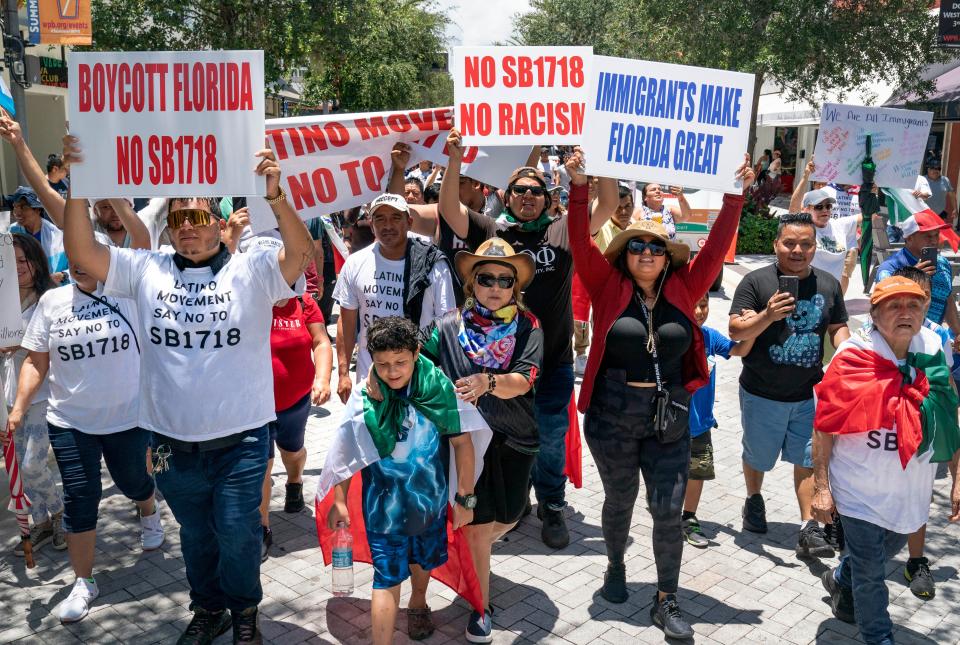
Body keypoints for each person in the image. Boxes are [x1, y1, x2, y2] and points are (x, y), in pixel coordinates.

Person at [61, 133, 315, 644]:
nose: (188, 231)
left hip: (241, 442)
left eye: (199, 219)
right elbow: (82, 251)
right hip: (167, 447)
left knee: (238, 534)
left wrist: (274, 194)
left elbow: (300, 254)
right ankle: (208, 610)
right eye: (178, 220)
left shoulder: (252, 269)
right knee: (195, 536)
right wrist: (79, 186)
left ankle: (244, 613)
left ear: (221, 226)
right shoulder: (143, 268)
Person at [568, 148, 754, 639]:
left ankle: (667, 598)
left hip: (668, 413)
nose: (646, 253)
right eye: (637, 247)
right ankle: (615, 566)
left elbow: (715, 247)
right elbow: (579, 243)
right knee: (620, 500)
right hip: (612, 413)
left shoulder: (685, 286)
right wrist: (580, 185)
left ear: (666, 255)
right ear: (625, 255)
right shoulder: (605, 283)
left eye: (654, 247)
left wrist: (735, 194)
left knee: (668, 509)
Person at [439, 130, 616, 550]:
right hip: (496, 367)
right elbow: (449, 208)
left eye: (537, 190)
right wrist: (454, 160)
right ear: (508, 194)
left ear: (547, 196)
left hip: (550, 363)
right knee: (503, 437)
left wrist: (603, 158)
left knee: (551, 437)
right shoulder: (490, 230)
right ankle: (512, 503)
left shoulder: (561, 232)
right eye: (519, 189)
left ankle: (551, 505)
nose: (528, 196)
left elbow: (606, 205)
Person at [7, 254, 163, 623]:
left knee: (132, 480)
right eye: (73, 256)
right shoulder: (53, 301)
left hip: (128, 418)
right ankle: (84, 581)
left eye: (87, 254)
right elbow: (35, 361)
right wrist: (18, 407)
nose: (80, 263)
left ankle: (148, 508)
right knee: (81, 496)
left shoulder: (130, 293)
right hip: (70, 421)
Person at [813, 276, 960, 644]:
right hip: (858, 486)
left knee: (886, 550)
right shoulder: (853, 356)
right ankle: (879, 636)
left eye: (913, 305)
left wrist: (959, 477)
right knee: (870, 572)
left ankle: (841, 578)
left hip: (910, 487)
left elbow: (948, 411)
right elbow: (825, 425)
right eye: (894, 306)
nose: (905, 313)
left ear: (925, 310)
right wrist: (821, 487)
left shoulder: (932, 348)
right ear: (874, 316)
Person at [417, 238, 542, 643]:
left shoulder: (529, 326)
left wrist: (488, 381)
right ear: (471, 283)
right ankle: (480, 606)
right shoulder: (445, 326)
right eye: (485, 277)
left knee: (508, 517)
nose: (495, 286)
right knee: (477, 526)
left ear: (514, 287)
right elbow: (416, 359)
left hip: (515, 436)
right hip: (466, 443)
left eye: (504, 280)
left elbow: (524, 381)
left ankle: (473, 559)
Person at [327, 316, 477, 645]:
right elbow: (347, 450)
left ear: (416, 352)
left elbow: (462, 443)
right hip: (384, 510)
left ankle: (419, 603)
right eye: (382, 365)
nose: (392, 372)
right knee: (386, 577)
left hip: (430, 504)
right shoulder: (367, 397)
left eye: (400, 362)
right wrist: (339, 499)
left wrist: (466, 499)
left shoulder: (439, 389)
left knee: (423, 561)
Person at [729, 213, 850, 558]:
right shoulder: (755, 282)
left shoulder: (828, 283)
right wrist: (767, 315)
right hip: (761, 392)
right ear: (776, 245)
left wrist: (850, 351)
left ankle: (808, 527)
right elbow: (736, 331)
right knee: (758, 456)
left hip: (809, 393)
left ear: (815, 246)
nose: (798, 250)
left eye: (806, 244)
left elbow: (837, 327)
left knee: (808, 459)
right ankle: (754, 498)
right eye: (790, 243)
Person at [333, 192, 456, 404]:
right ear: (371, 225)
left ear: (409, 222)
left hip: (420, 379)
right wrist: (343, 374)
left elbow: (448, 322)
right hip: (371, 381)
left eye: (395, 218)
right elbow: (346, 320)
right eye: (380, 219)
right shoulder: (355, 264)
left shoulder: (433, 264)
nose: (387, 225)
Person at [1, 233, 65, 555]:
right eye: (12, 262)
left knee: (31, 465)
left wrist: (22, 345)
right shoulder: (3, 302)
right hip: (10, 396)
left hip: (42, 396)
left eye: (24, 259)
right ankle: (40, 522)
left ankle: (60, 513)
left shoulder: (49, 299)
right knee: (22, 472)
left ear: (36, 261)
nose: (19, 267)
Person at [260, 291, 333, 560]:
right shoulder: (249, 295)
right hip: (256, 406)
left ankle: (295, 481)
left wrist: (323, 379)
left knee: (292, 452)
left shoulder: (303, 301)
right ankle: (262, 528)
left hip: (295, 400)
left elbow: (321, 341)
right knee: (262, 466)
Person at [682, 294, 755, 548]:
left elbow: (740, 349)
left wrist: (753, 328)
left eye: (704, 304)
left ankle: (688, 517)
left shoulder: (709, 337)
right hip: (671, 424)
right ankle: (665, 512)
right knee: (669, 473)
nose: (700, 311)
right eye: (695, 304)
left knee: (697, 472)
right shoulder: (668, 336)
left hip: (700, 423)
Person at [875, 212, 960, 338]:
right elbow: (886, 306)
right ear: (909, 238)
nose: (934, 241)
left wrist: (958, 333)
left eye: (936, 235)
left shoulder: (942, 264)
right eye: (927, 236)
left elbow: (947, 300)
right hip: (899, 340)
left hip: (933, 338)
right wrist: (912, 279)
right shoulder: (889, 268)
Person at [802, 188, 861, 295]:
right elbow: (793, 207)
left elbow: (870, 216)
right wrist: (805, 177)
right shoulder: (803, 228)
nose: (825, 210)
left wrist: (869, 192)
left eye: (828, 206)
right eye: (819, 207)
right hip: (810, 292)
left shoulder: (839, 225)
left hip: (833, 293)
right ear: (806, 210)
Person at [8, 186, 68, 282]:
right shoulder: (11, 232)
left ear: (38, 210)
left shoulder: (57, 235)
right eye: (15, 207)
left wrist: (63, 275)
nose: (17, 212)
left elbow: (78, 266)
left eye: (24, 207)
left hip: (53, 290)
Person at [914, 159, 956, 224]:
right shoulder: (921, 180)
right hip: (924, 214)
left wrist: (955, 209)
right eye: (933, 168)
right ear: (928, 169)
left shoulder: (945, 180)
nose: (936, 170)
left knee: (939, 233)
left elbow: (952, 194)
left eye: (938, 168)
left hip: (940, 214)